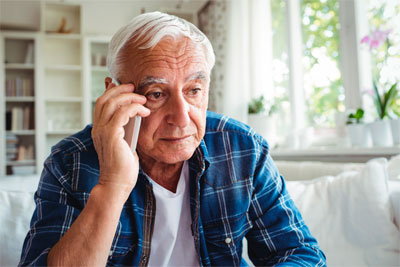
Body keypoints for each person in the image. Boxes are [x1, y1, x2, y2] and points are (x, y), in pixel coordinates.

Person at [19, 11, 326, 266]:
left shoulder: (242, 148)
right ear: (114, 92)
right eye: (156, 94)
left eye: (194, 91)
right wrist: (113, 186)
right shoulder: (69, 162)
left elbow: (299, 254)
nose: (181, 117)